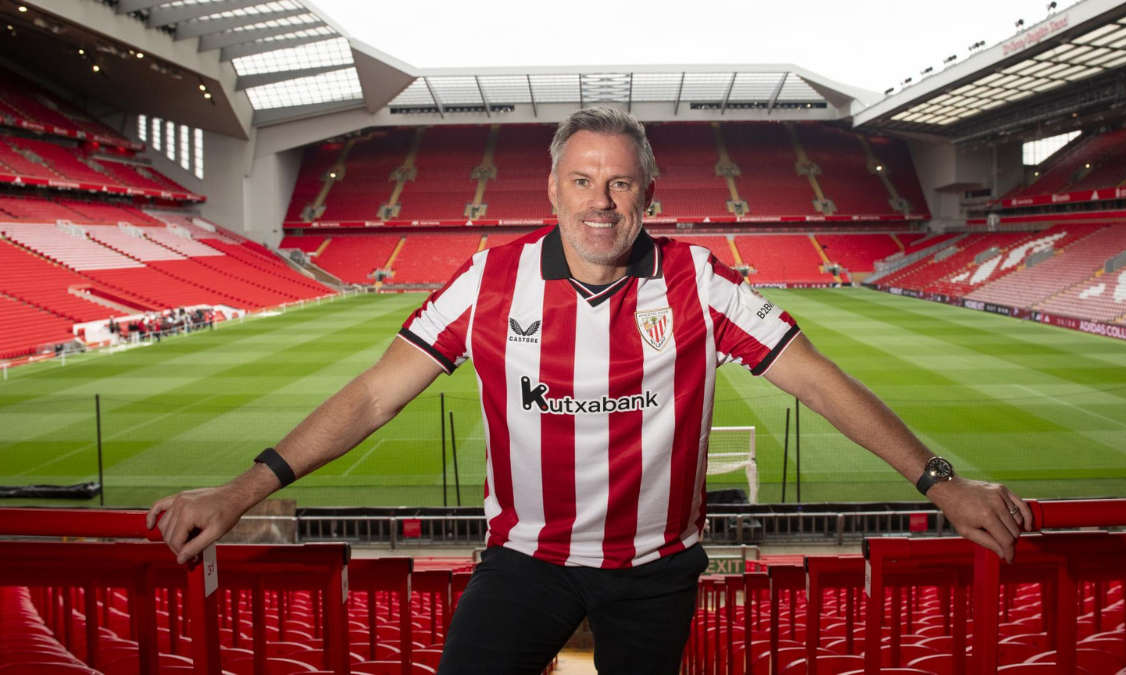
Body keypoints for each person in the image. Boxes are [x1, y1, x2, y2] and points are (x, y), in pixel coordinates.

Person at [148, 108, 1033, 674]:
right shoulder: (490, 281)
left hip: (656, 572)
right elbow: (377, 394)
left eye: (619, 181)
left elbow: (819, 381)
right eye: (582, 179)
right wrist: (243, 486)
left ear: (648, 193)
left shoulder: (697, 281)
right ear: (553, 189)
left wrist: (939, 477)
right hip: (524, 564)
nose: (599, 201)